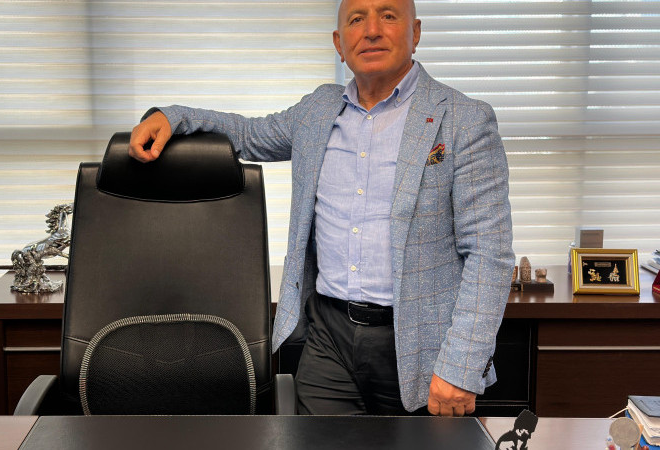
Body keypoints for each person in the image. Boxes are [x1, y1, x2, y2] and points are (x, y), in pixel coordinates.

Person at [129, 0, 514, 417]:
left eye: (388, 15)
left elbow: (488, 254)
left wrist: (460, 367)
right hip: (328, 342)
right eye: (356, 19)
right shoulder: (317, 110)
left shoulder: (464, 120)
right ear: (339, 43)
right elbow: (248, 133)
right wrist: (172, 117)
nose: (371, 30)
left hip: (422, 350)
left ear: (415, 32)